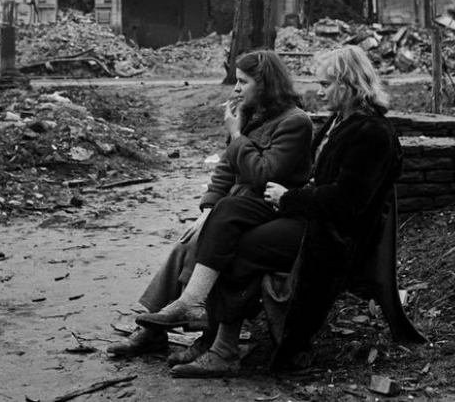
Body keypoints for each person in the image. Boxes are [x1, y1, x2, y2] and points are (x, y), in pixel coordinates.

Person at [161, 44, 403, 379]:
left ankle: (220, 347)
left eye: (325, 84)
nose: (319, 92)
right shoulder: (340, 121)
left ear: (347, 85)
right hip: (314, 219)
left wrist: (290, 199)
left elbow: (347, 202)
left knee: (240, 247)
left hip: (336, 234)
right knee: (230, 222)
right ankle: (213, 339)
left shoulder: (372, 132)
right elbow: (318, 181)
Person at [107, 49, 312, 362]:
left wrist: (237, 134)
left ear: (266, 84)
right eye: (236, 81)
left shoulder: (294, 122)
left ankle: (203, 331)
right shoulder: (255, 116)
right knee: (185, 243)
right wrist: (208, 208)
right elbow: (227, 169)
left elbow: (263, 173)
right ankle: (152, 330)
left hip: (268, 209)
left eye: (244, 82)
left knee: (206, 247)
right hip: (239, 206)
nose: (236, 89)